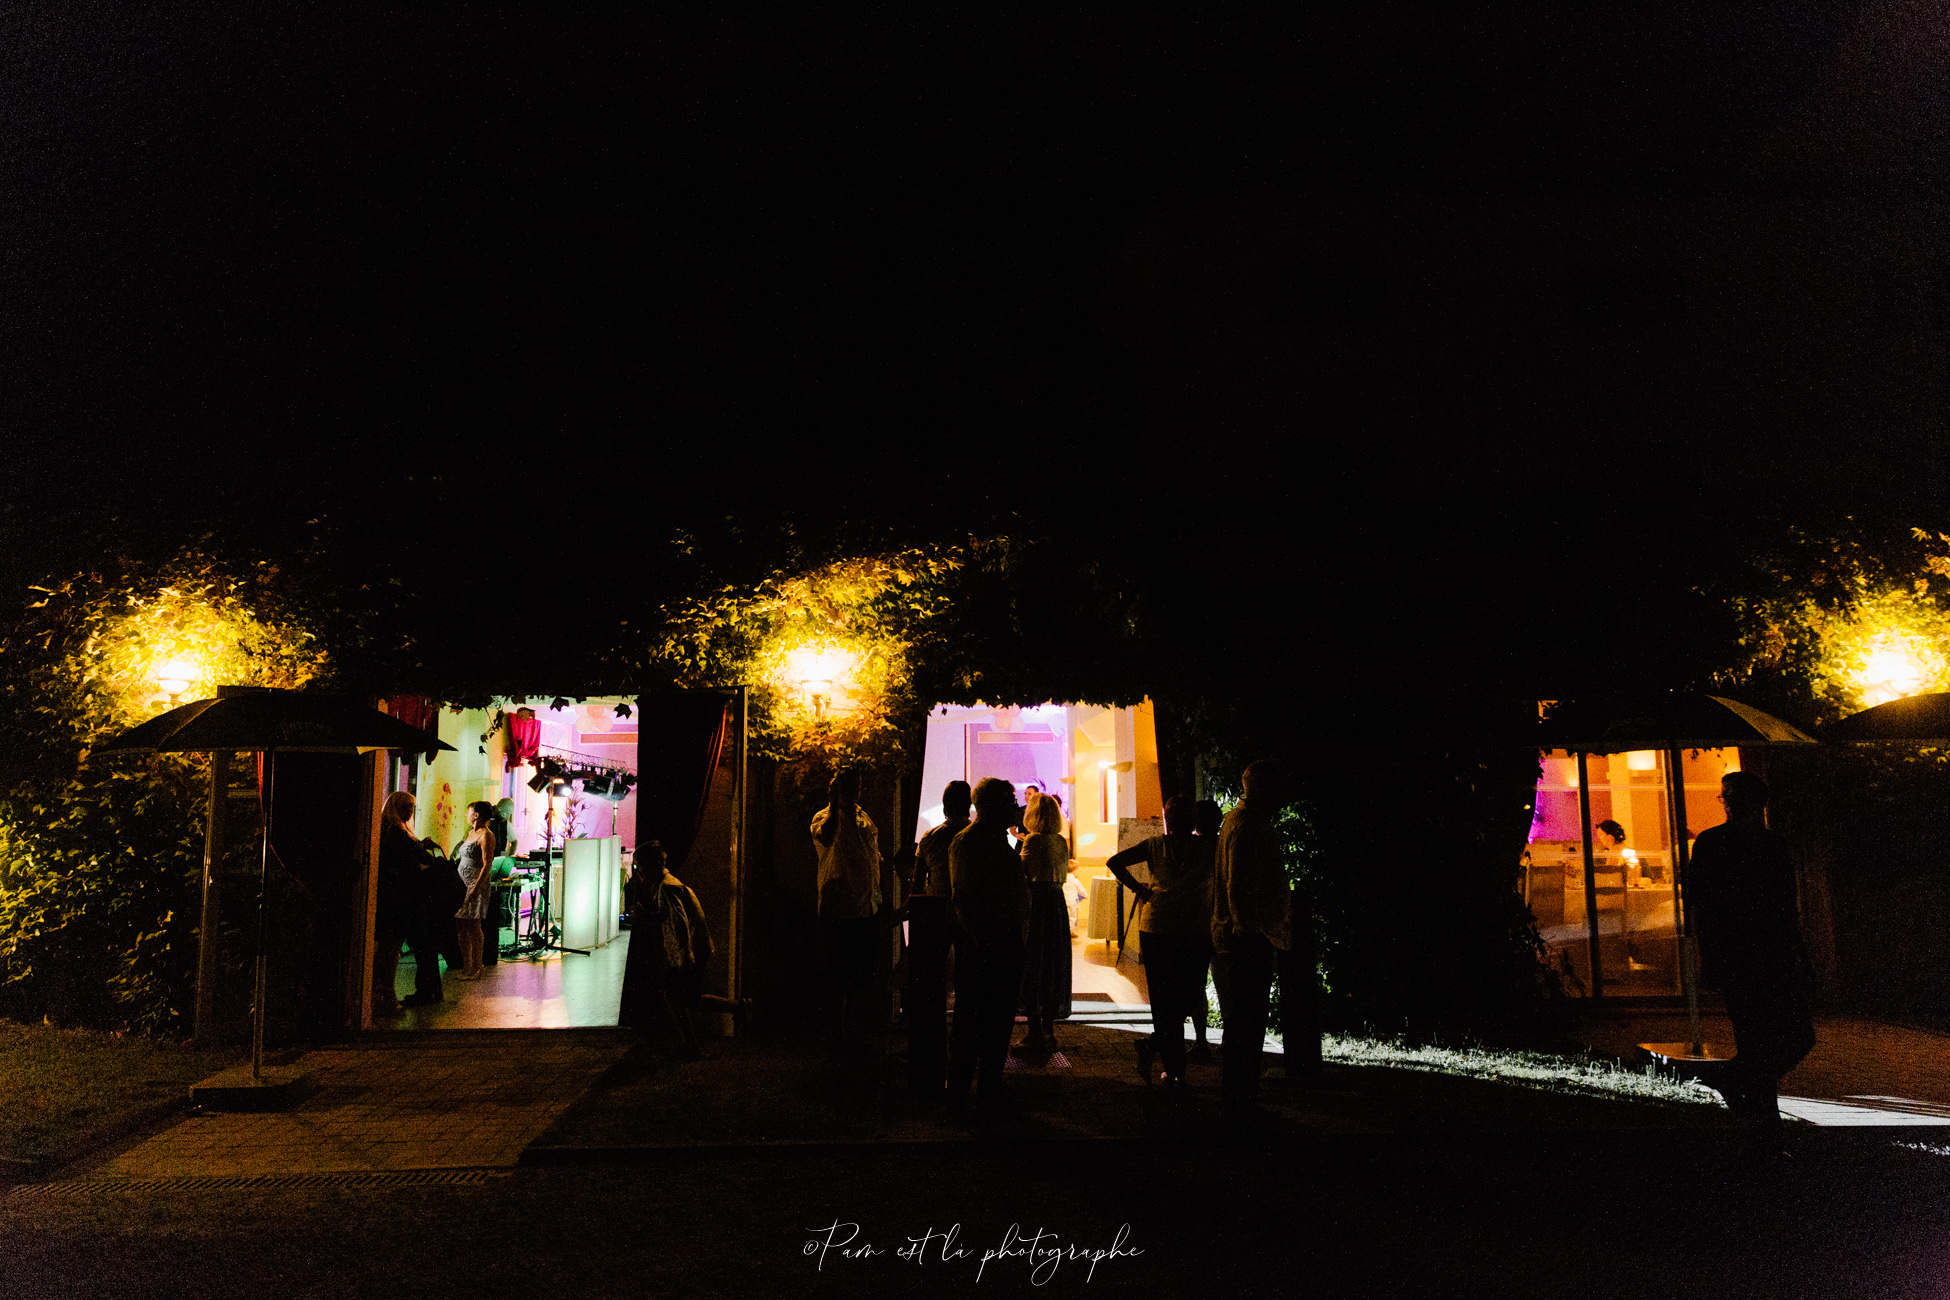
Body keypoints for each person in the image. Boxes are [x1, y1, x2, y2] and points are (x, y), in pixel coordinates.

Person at [1686, 770, 1816, 1151]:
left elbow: (1704, 904)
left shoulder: (1719, 843)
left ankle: (1737, 1083)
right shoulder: (1766, 845)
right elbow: (1782, 905)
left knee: (1775, 1038)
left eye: (1727, 795)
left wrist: (1708, 953)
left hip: (1748, 951)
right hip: (1755, 951)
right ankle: (1764, 1124)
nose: (1724, 801)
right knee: (1774, 1037)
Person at [1108, 795, 1214, 1087]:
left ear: (1167, 818)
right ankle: (1172, 1067)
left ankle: (1163, 1055)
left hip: (1158, 926)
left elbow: (1114, 862)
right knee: (1187, 993)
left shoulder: (1155, 846)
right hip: (1194, 928)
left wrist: (1140, 890)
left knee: (1165, 997)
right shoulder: (1208, 847)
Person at [1212, 760, 1292, 1122]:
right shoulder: (1248, 824)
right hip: (1247, 936)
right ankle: (1241, 1102)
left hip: (1243, 933)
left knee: (1242, 1022)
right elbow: (1238, 883)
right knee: (1247, 1022)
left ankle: (1240, 1098)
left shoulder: (1237, 821)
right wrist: (1248, 927)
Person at [949, 777, 1030, 1114]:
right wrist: (983, 940)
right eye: (1011, 800)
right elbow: (963, 899)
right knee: (975, 1021)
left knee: (998, 1022)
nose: (1016, 807)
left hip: (1002, 940)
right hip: (986, 944)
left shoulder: (996, 840)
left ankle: (989, 1089)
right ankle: (962, 1095)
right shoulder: (970, 842)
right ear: (993, 805)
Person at [811, 769, 884, 1053]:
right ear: (836, 789)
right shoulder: (823, 817)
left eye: (857, 786)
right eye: (847, 787)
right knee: (838, 977)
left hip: (866, 908)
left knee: (860, 977)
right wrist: (832, 804)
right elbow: (827, 838)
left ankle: (854, 1033)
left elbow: (871, 860)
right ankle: (838, 1036)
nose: (854, 791)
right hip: (839, 911)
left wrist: (880, 900)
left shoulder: (864, 817)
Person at [376, 790, 452, 1012]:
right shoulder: (396, 834)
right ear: (395, 808)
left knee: (409, 947)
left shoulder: (398, 832)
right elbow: (411, 863)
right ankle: (392, 995)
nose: (410, 811)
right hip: (405, 899)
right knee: (401, 948)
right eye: (406, 806)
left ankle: (418, 991)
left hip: (406, 898)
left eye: (411, 807)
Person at [1016, 791, 1073, 1054]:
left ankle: (1035, 1032)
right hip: (1056, 902)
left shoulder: (1032, 840)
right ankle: (1049, 1030)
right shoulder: (1061, 842)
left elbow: (1022, 873)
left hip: (1037, 903)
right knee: (1052, 965)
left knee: (1032, 966)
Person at [453, 801, 497, 980]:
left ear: (477, 815)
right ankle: (467, 964)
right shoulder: (471, 833)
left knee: (473, 925)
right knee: (461, 925)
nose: (466, 815)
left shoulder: (487, 835)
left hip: (474, 882)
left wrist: (477, 888)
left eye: (468, 812)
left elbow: (487, 864)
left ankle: (477, 965)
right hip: (461, 882)